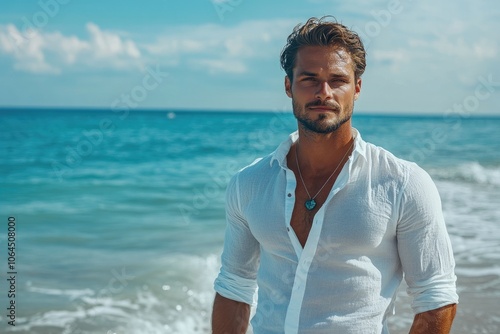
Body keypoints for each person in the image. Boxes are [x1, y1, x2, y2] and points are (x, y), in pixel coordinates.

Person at [212, 16, 458, 334]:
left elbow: (435, 298)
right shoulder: (249, 183)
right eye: (309, 79)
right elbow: (235, 287)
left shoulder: (402, 184)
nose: (323, 92)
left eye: (337, 80)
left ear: (356, 87)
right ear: (289, 86)